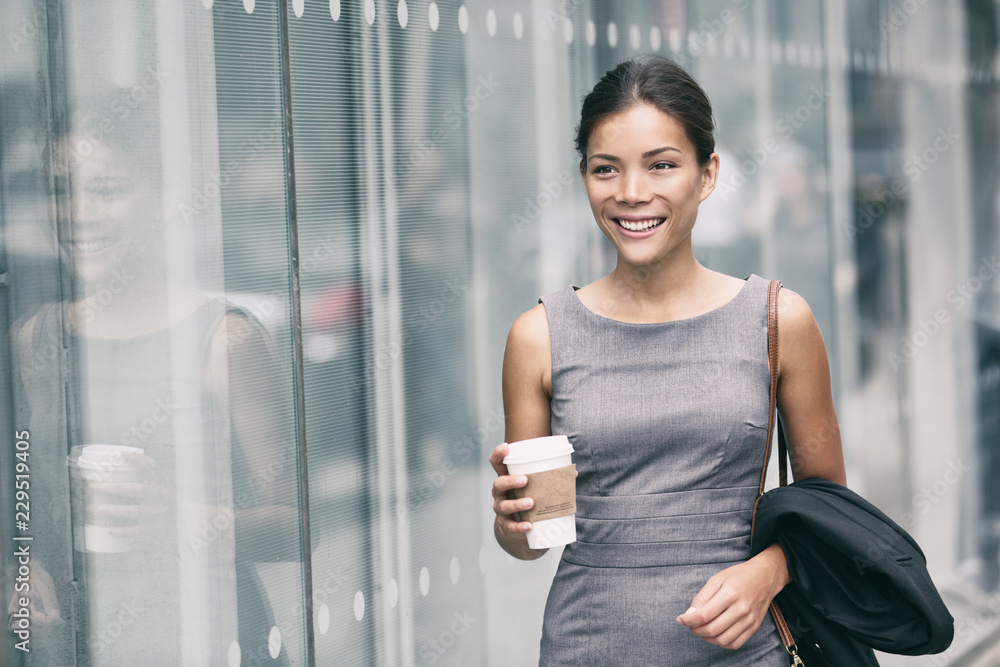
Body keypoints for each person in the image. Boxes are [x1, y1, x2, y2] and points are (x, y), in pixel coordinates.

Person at [489, 56, 847, 664]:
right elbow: (534, 541)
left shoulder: (778, 320)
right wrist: (513, 521)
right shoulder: (540, 336)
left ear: (707, 175)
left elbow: (830, 507)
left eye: (662, 165)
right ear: (584, 179)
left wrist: (769, 573)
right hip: (587, 646)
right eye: (607, 169)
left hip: (744, 651)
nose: (632, 193)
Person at [6, 95, 297, 665]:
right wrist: (17, 565)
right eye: (62, 190)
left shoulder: (222, 339)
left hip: (205, 638)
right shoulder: (31, 339)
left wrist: (183, 521)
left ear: (166, 198)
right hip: (73, 643)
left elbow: (294, 527)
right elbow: (21, 497)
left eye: (108, 190)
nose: (78, 212)